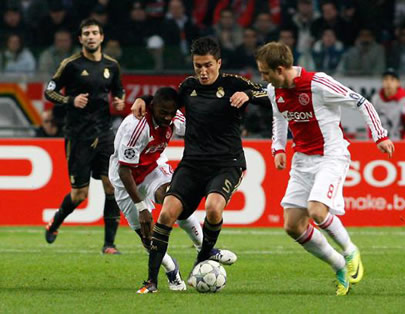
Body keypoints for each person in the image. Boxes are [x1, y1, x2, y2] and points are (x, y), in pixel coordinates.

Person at [132, 37, 270, 293]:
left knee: (214, 208)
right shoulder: (189, 86)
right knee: (166, 214)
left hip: (227, 164)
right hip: (193, 164)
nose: (203, 72)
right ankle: (151, 281)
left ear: (218, 62)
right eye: (198, 66)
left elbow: (270, 94)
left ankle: (202, 259)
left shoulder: (233, 83)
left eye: (208, 65)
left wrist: (249, 94)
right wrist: (144, 99)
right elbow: (165, 101)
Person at [255, 42, 395, 296]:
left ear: (280, 68)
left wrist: (380, 136)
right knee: (292, 226)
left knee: (317, 210)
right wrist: (278, 149)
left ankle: (350, 251)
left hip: (331, 155)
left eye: (265, 73)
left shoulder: (317, 83)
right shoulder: (274, 90)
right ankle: (339, 265)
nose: (263, 78)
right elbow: (278, 119)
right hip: (302, 160)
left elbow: (361, 102)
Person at [109, 87, 237, 292]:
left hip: (153, 169)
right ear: (152, 107)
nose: (168, 117)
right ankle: (171, 268)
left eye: (172, 112)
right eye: (163, 113)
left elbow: (199, 126)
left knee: (176, 201)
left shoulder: (174, 116)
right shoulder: (136, 127)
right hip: (125, 180)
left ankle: (205, 247)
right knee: (147, 237)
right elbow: (125, 171)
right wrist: (142, 207)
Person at [43, 18, 125, 254]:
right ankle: (55, 222)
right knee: (80, 195)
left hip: (105, 133)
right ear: (80, 39)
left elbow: (117, 87)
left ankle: (109, 244)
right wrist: (70, 100)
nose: (90, 36)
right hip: (78, 135)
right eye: (86, 33)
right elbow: (50, 90)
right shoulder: (71, 65)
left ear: (101, 37)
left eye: (94, 32)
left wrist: (119, 98)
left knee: (111, 185)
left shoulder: (112, 65)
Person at [371, 68, 405, 140]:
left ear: (398, 83)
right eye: (386, 79)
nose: (388, 82)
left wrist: (404, 145)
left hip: (400, 145)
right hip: (380, 145)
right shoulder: (375, 100)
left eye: (392, 79)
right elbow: (370, 125)